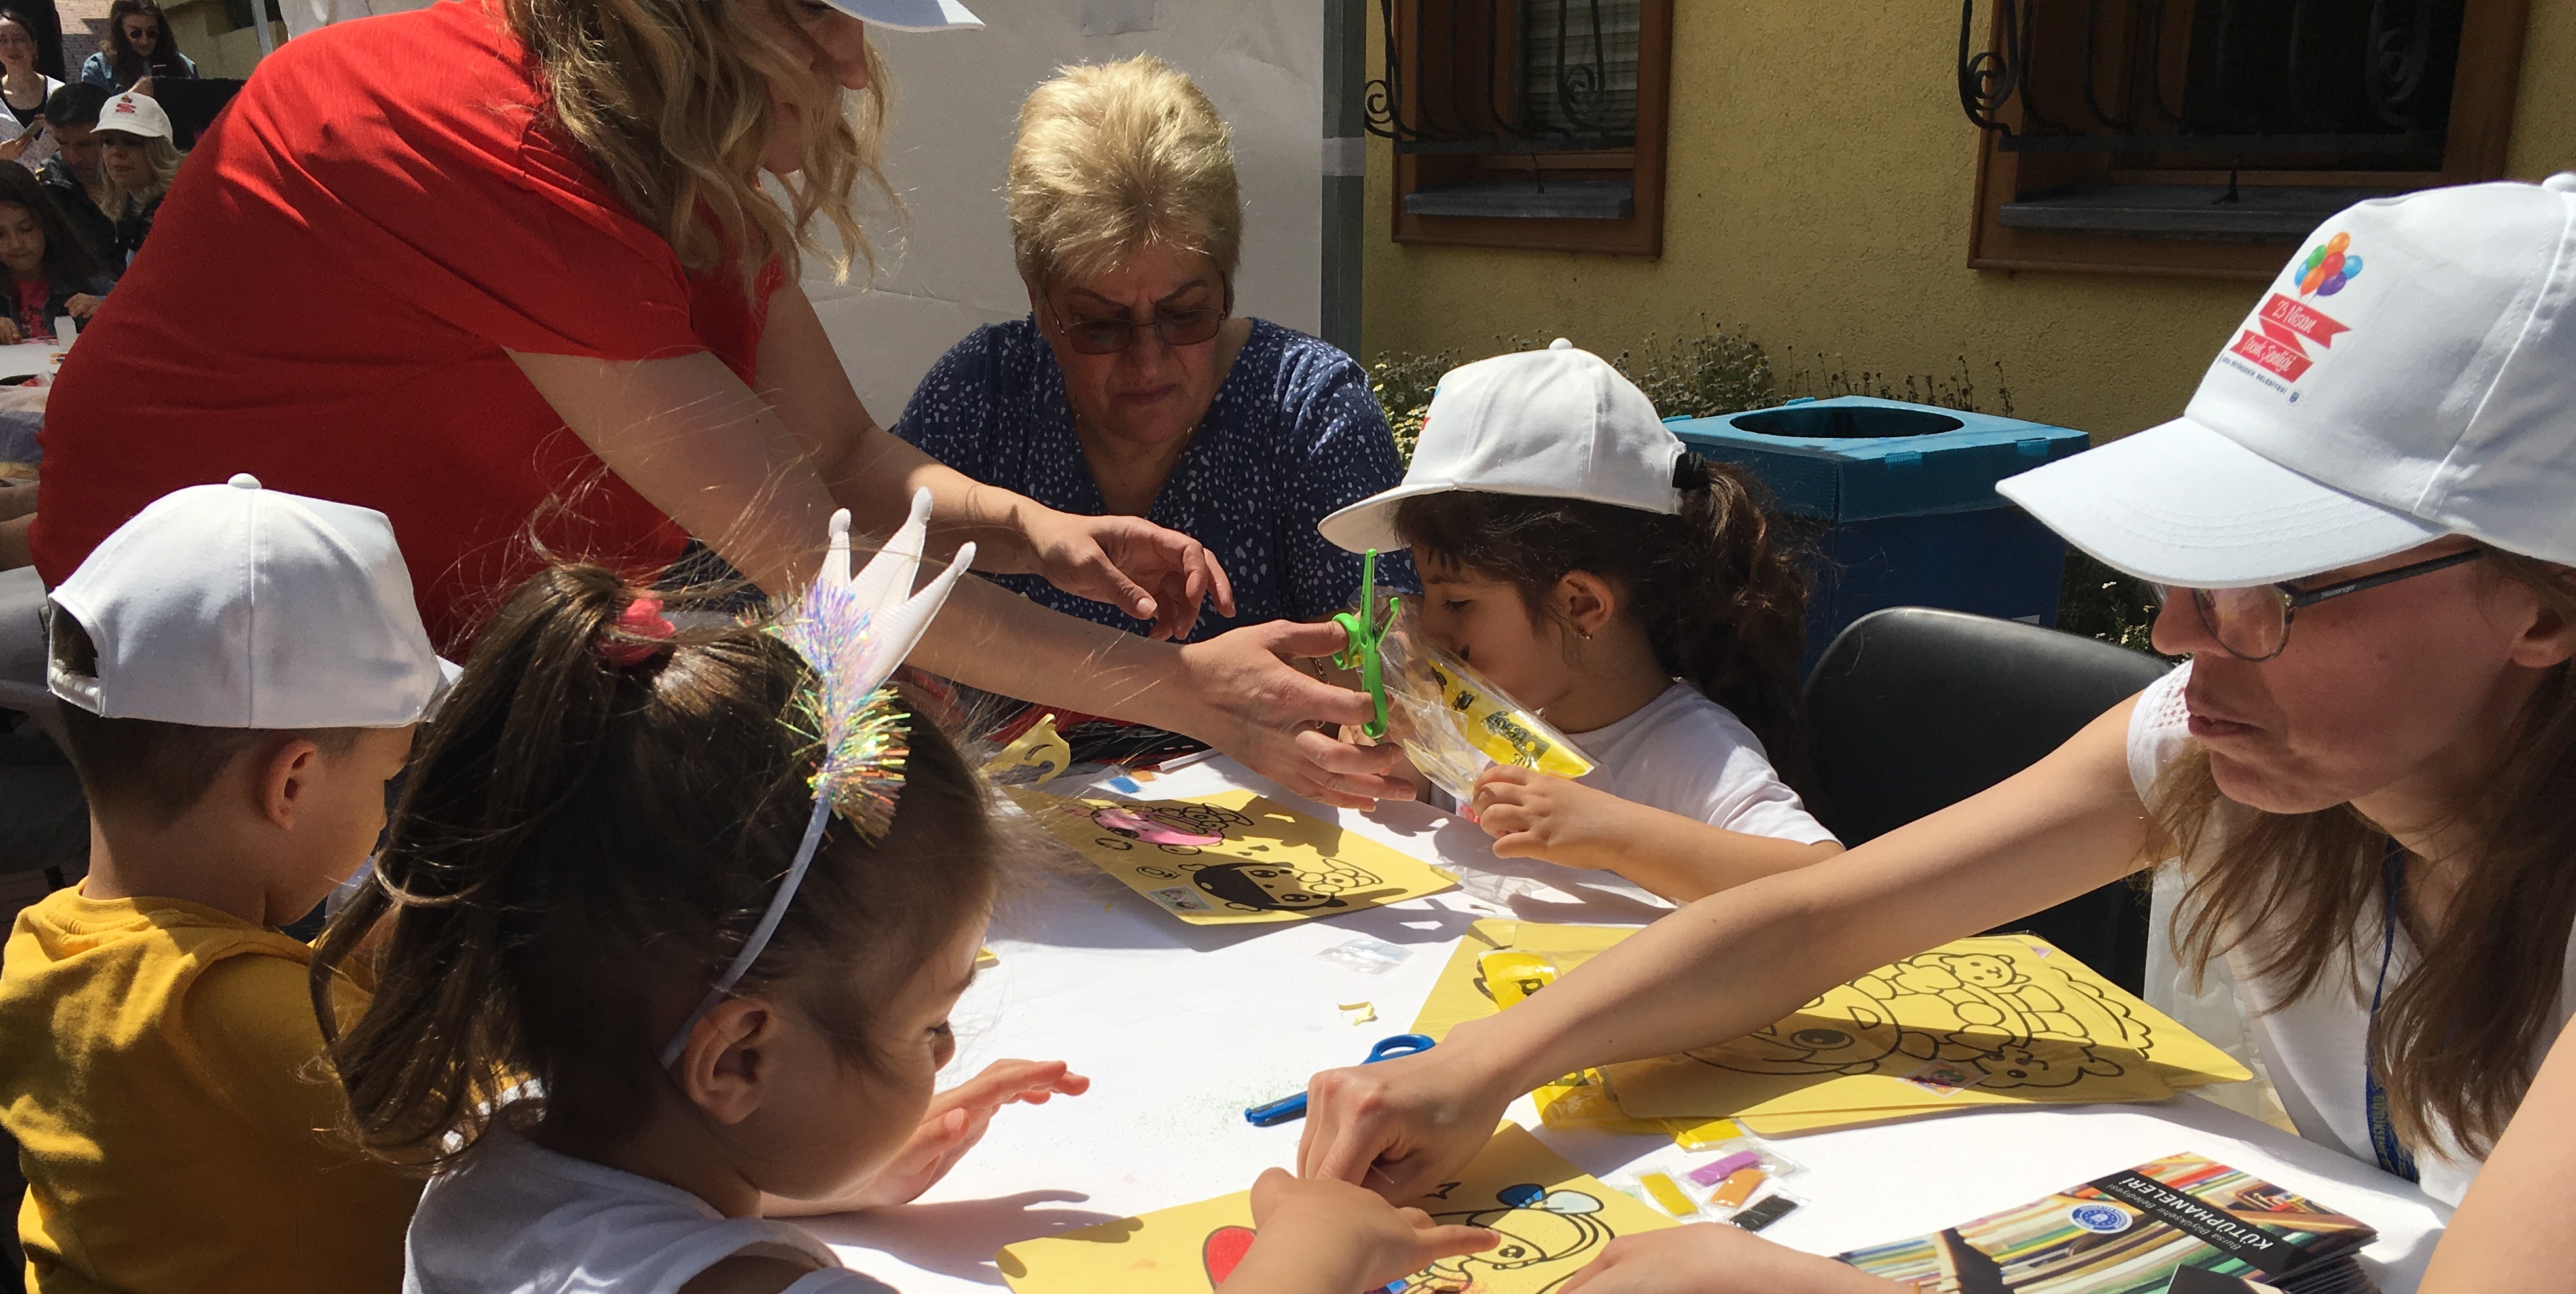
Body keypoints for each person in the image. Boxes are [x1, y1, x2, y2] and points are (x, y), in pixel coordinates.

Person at [1299, 176, 2576, 1294]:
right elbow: (1821, 915)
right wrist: (1486, 1061)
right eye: (2181, 570)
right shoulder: (2218, 741)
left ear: (2539, 606)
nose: (2169, 637)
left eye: (2261, 588)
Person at [315, 552, 1491, 1294]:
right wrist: (1315, 1241)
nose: (945, 1051)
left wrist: (816, 1174)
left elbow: (612, 1263)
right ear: (740, 1062)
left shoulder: (483, 1156)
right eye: (928, 1025)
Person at [31, 0, 1407, 811]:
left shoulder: (670, 172)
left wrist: (1029, 529)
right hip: (221, 663)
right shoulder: (482, 139)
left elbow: (843, 455)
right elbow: (825, 567)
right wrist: (1183, 686)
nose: (855, 65)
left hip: (416, 641)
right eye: (816, 17)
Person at [0, 476, 442, 1294]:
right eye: (386, 778)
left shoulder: (43, 948)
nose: (383, 813)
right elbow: (498, 1135)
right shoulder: (241, 1014)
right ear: (291, 780)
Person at [894, 56, 1412, 659]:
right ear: (1038, 301)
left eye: (1184, 314)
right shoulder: (982, 392)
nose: (1146, 362)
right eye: (1100, 326)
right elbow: (868, 591)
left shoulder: (1309, 410)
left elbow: (1390, 658)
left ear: (1226, 286)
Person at [1319, 340, 1840, 904]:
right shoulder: (1481, 723)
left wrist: (1611, 834)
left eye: (1458, 602)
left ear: (1580, 604)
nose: (1432, 629)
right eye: (1426, 593)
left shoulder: (1693, 751)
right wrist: (1402, 768)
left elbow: (1830, 886)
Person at [0, 160, 105, 338]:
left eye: (26, 229)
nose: (16, 244)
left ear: (46, 223)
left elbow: (137, 309)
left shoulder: (88, 278)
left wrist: (106, 307)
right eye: (0, 235)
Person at [88, 84, 171, 262]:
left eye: (131, 142)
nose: (116, 152)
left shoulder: (171, 211)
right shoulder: (131, 207)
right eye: (108, 141)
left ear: (159, 151)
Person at [34, 79, 111, 266]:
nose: (73, 158)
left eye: (85, 145)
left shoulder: (143, 181)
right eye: (62, 143)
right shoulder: (48, 191)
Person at [77, 0, 192, 93]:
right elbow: (93, 113)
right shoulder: (99, 67)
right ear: (121, 33)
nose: (144, 41)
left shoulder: (184, 65)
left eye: (152, 33)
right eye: (136, 33)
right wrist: (133, 96)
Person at [0, 9, 62, 132]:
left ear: (34, 46)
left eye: (19, 39)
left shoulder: (59, 93)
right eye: (2, 40)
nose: (11, 47)